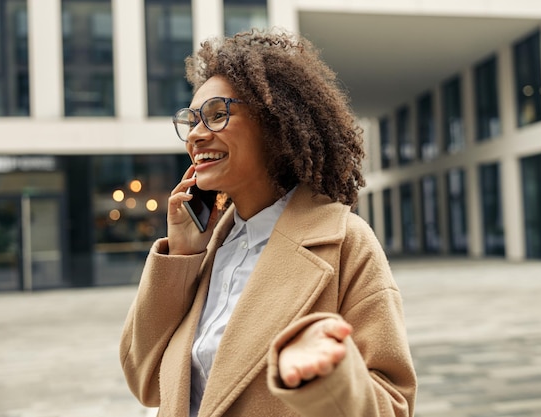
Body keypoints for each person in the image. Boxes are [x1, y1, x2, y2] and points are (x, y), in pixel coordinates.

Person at [120, 28, 417, 417]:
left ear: (275, 123)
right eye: (192, 120)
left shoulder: (344, 241)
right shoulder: (206, 247)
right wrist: (181, 255)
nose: (195, 135)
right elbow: (145, 381)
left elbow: (394, 404)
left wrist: (328, 377)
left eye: (215, 115)